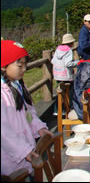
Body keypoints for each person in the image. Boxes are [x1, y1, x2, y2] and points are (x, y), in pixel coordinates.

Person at [1, 40, 53, 177]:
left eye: (25, 64)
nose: (24, 69)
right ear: (3, 66)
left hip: (27, 150)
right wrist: (23, 151)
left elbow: (28, 112)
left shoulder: (17, 85)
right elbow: (3, 131)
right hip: (10, 161)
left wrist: (39, 127)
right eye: (20, 65)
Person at [51, 33, 79, 116]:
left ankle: (57, 110)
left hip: (57, 75)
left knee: (60, 92)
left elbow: (53, 61)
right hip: (66, 75)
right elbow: (68, 63)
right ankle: (68, 109)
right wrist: (78, 62)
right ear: (71, 43)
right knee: (69, 92)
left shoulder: (58, 49)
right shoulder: (69, 50)